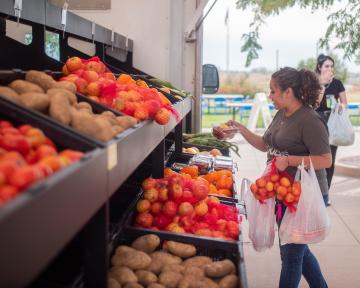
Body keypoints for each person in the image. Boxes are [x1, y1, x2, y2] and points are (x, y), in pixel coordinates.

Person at [227, 67, 331, 288]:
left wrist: (291, 160)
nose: (270, 95)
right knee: (297, 249)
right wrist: (240, 128)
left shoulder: (310, 120)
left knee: (291, 255)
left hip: (304, 197)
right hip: (283, 193)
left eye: (273, 91)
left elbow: (325, 160)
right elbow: (266, 144)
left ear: (288, 92)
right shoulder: (281, 114)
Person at [315, 54, 348, 198]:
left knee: (330, 158)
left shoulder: (337, 83)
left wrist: (340, 106)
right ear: (319, 67)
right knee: (317, 157)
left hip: (332, 122)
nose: (330, 69)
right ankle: (316, 191)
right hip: (316, 123)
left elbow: (344, 102)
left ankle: (326, 192)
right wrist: (322, 83)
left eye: (331, 66)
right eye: (326, 66)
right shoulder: (314, 83)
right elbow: (314, 103)